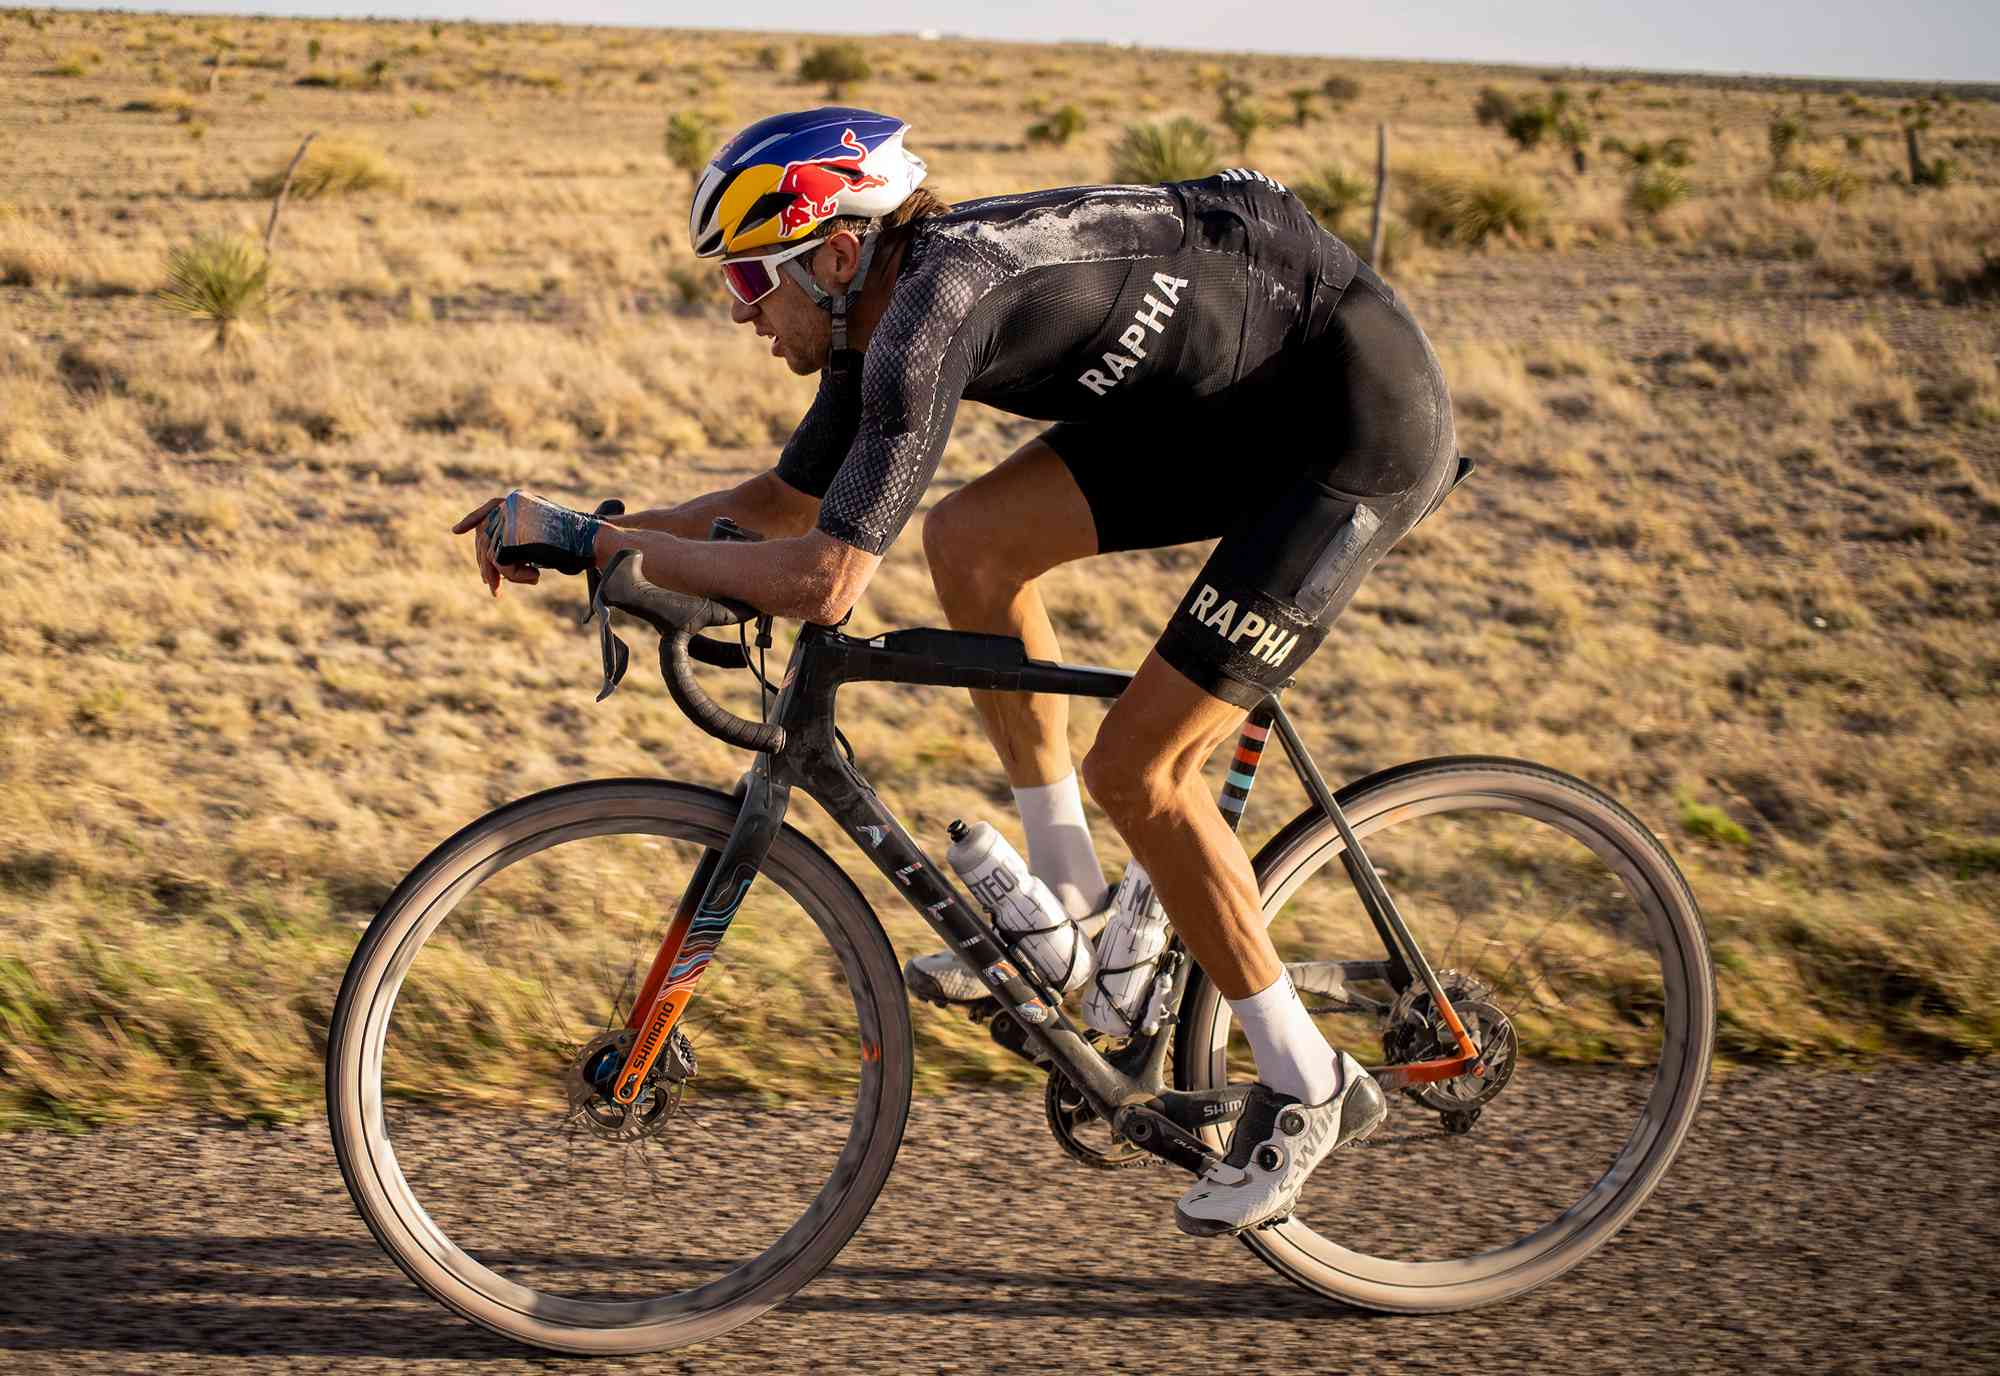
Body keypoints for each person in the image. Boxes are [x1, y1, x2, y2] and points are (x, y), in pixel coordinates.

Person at [455, 106, 1458, 1238]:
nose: (738, 313)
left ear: (835, 254)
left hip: (1344, 418)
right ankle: (1071, 899)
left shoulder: (932, 306)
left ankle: (1310, 1082)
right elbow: (773, 511)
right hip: (1224, 398)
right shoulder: (869, 317)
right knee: (966, 546)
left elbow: (825, 579)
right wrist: (586, 527)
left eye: (746, 282)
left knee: (1143, 770)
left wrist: (605, 551)